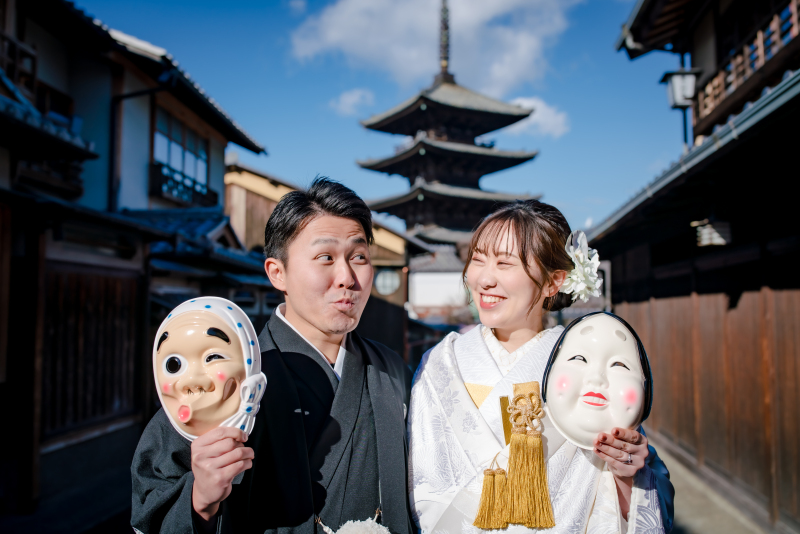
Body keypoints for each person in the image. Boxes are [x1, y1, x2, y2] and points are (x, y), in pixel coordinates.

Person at [131, 178, 415, 534]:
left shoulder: (390, 370)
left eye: (358, 257)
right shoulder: (224, 377)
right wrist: (199, 498)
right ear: (277, 273)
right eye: (325, 257)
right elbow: (153, 506)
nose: (347, 276)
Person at [407, 200, 674, 533]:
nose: (485, 278)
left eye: (505, 263)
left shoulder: (589, 366)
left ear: (553, 281)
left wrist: (626, 474)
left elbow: (629, 501)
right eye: (478, 260)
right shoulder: (440, 365)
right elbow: (421, 477)